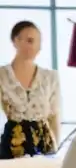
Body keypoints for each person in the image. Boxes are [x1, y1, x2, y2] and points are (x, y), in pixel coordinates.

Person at [0, 21, 60, 158]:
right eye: (29, 40)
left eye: (37, 42)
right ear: (15, 41)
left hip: (44, 146)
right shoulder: (2, 75)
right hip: (12, 146)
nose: (34, 46)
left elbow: (55, 115)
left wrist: (57, 148)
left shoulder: (50, 77)